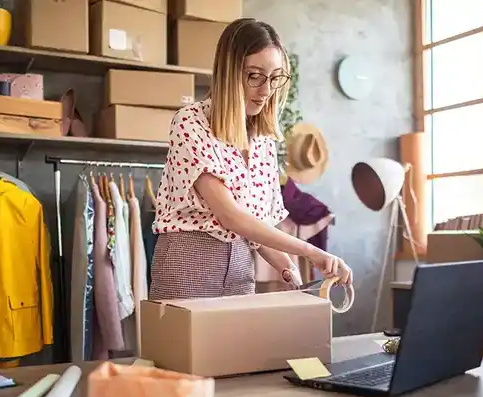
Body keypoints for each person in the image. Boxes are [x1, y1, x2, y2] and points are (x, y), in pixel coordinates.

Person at [150, 18, 352, 300]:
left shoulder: (263, 140)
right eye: (255, 76)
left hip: (241, 271)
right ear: (229, 73)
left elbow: (258, 228)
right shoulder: (190, 123)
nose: (267, 90)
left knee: (238, 345)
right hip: (188, 267)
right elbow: (230, 216)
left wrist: (291, 272)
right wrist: (311, 251)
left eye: (274, 78)